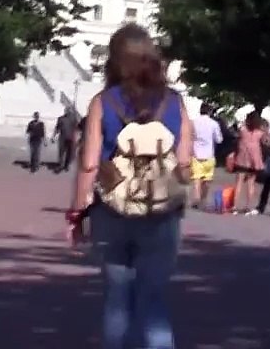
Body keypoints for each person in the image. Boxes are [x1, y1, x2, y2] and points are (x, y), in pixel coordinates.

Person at [66, 23, 192, 349]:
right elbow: (184, 164)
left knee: (116, 302)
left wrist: (77, 213)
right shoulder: (175, 103)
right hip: (162, 213)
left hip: (112, 211)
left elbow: (90, 163)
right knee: (154, 302)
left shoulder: (102, 102)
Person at [230, 112, 266, 214]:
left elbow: (236, 134)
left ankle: (235, 206)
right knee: (251, 184)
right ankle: (248, 207)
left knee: (239, 183)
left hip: (242, 159)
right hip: (254, 160)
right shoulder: (260, 132)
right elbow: (264, 142)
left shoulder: (243, 130)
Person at [189, 103, 223, 208]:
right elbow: (219, 139)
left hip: (196, 154)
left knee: (196, 178)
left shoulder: (193, 122)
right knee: (207, 179)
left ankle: (197, 198)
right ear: (210, 112)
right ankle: (203, 198)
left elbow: (190, 136)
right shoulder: (214, 124)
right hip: (209, 155)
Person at [53, 108, 80, 173]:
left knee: (69, 153)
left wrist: (78, 137)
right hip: (62, 138)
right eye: (67, 111)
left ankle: (66, 165)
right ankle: (60, 165)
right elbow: (57, 128)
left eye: (69, 111)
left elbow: (77, 128)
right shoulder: (60, 119)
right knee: (61, 152)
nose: (68, 112)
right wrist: (53, 136)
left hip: (71, 138)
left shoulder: (74, 119)